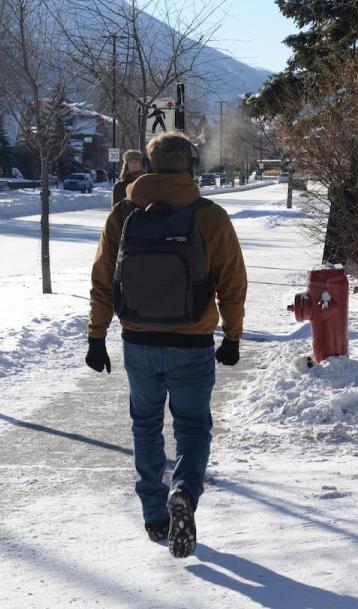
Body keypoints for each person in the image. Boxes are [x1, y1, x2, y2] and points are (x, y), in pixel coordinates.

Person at [86, 130, 247, 558]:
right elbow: (232, 283)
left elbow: (103, 279)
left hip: (137, 339)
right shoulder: (209, 216)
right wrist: (232, 335)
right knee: (192, 426)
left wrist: (96, 336)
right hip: (192, 341)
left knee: (145, 425)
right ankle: (185, 492)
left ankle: (156, 514)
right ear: (190, 168)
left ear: (148, 168)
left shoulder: (123, 213)